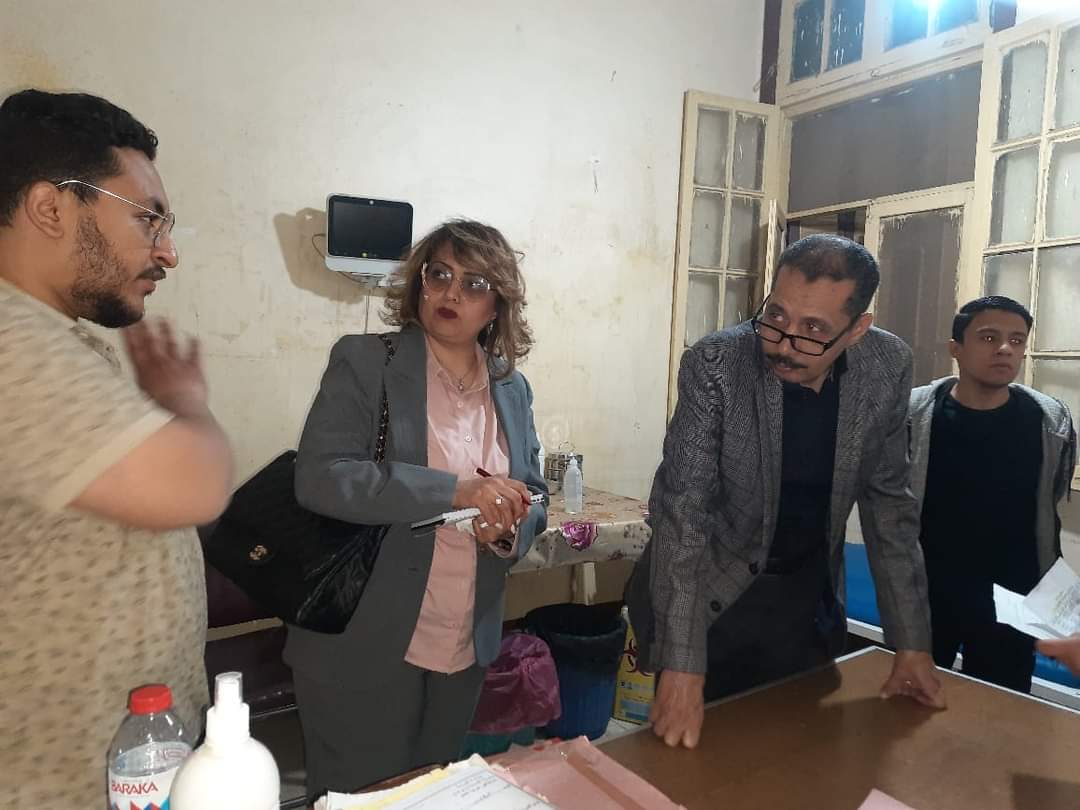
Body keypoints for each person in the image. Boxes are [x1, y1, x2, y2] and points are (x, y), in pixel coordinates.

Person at [0, 90, 233, 803]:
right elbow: (193, 484)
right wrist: (184, 401)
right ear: (51, 207)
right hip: (56, 779)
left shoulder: (52, 338)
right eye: (146, 217)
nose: (167, 252)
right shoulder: (12, 343)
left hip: (122, 761)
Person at [626, 234, 944, 750]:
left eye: (813, 329)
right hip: (711, 598)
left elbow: (890, 507)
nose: (783, 344)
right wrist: (681, 665)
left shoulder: (886, 367)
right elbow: (683, 515)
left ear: (857, 328)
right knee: (693, 763)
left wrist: (910, 643)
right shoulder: (717, 365)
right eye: (775, 316)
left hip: (804, 602)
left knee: (797, 758)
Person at [284, 219, 548, 800]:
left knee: (433, 794)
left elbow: (534, 493)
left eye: (475, 284)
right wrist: (454, 491)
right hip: (365, 634)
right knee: (359, 799)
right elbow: (322, 477)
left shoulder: (512, 388)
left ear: (498, 305)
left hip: (463, 640)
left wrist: (507, 527)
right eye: (440, 275)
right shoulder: (365, 362)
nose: (452, 293)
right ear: (418, 283)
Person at [909, 296, 1075, 692]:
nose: (1005, 349)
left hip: (1011, 599)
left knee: (1001, 709)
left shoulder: (1049, 420)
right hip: (927, 591)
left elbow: (1048, 500)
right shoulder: (914, 416)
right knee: (913, 704)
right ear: (956, 348)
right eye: (988, 337)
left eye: (1017, 341)